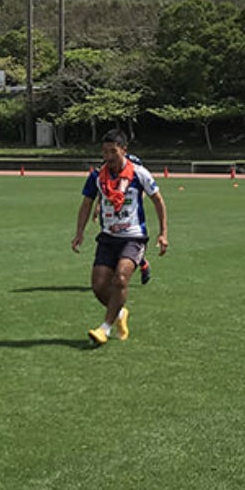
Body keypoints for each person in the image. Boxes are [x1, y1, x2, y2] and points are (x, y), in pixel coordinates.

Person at [72, 130, 169, 346]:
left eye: (113, 151)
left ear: (124, 150)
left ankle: (104, 329)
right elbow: (86, 204)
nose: (108, 156)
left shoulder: (139, 173)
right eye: (105, 152)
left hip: (134, 237)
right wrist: (79, 232)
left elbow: (158, 201)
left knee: (121, 278)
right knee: (99, 286)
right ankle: (119, 313)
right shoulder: (97, 176)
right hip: (108, 237)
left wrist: (163, 233)